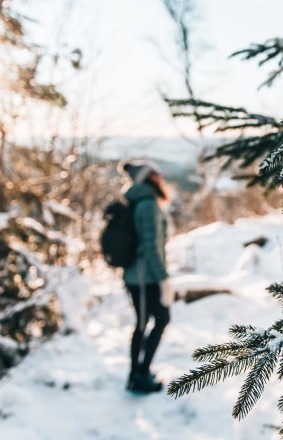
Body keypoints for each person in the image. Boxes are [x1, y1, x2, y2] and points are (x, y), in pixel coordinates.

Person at [120, 160, 175, 394]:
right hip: (144, 277)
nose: (160, 176)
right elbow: (152, 247)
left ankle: (138, 372)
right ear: (146, 178)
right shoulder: (148, 205)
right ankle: (138, 375)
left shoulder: (141, 201)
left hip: (140, 275)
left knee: (146, 323)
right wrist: (163, 280)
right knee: (155, 321)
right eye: (155, 173)